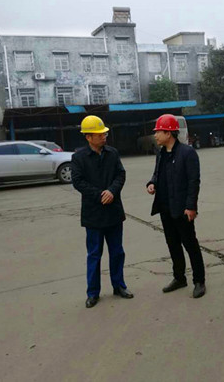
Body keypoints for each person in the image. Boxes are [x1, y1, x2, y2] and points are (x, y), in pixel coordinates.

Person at [71, 115, 133, 309]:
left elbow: (120, 174)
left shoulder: (112, 153)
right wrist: (99, 195)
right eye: (99, 135)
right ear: (88, 137)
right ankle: (93, 293)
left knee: (117, 252)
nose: (104, 137)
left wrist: (112, 191)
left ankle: (119, 285)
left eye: (104, 133)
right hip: (93, 214)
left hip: (113, 211)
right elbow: (78, 182)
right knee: (94, 255)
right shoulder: (79, 158)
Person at [146, 114, 206, 299]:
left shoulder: (187, 153)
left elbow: (193, 182)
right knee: (173, 245)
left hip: (182, 208)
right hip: (165, 208)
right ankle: (179, 278)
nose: (155, 135)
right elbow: (157, 174)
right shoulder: (161, 154)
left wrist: (191, 207)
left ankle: (199, 280)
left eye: (158, 132)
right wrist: (152, 183)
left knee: (190, 244)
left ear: (168, 133)